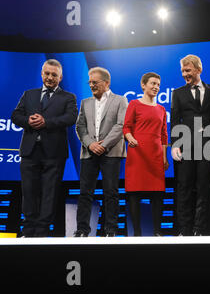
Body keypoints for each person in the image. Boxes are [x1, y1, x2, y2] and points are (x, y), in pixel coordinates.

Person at [11, 59, 78, 237]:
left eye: (54, 75)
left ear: (60, 77)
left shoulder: (68, 97)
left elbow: (71, 118)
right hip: (30, 151)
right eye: (47, 74)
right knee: (29, 191)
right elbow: (16, 115)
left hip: (54, 153)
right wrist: (28, 121)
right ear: (42, 74)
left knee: (49, 192)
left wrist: (46, 122)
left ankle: (41, 231)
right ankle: (28, 229)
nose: (49, 77)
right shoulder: (29, 94)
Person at [74, 67, 128, 237]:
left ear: (106, 83)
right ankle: (82, 230)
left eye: (94, 82)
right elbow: (80, 126)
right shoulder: (85, 102)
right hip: (89, 153)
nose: (91, 85)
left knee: (111, 192)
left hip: (111, 152)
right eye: (89, 82)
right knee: (85, 193)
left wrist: (103, 145)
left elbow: (121, 125)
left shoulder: (120, 100)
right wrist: (90, 144)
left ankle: (110, 230)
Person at [171, 54, 210, 236]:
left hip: (207, 146)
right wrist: (175, 144)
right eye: (183, 71)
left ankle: (199, 230)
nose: (185, 74)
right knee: (184, 188)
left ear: (199, 70)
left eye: (188, 70)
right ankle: (184, 230)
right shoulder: (178, 93)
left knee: (203, 187)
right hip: (185, 146)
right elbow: (175, 120)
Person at [123, 72, 169, 236]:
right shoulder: (134, 104)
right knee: (134, 193)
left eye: (158, 84)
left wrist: (164, 157)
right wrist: (130, 138)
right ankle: (137, 233)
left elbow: (164, 136)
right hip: (137, 154)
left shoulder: (162, 109)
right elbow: (126, 127)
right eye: (153, 83)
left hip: (156, 156)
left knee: (157, 194)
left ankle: (157, 231)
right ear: (143, 85)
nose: (156, 87)